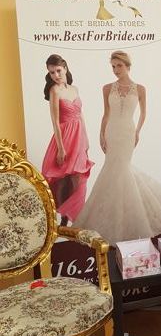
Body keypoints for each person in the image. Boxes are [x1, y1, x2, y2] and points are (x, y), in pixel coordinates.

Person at [75, 50, 161, 243]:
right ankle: (113, 217)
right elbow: (106, 114)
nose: (115, 70)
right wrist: (101, 134)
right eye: (113, 66)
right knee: (113, 169)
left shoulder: (140, 89)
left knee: (122, 169)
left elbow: (143, 113)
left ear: (128, 66)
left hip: (127, 132)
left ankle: (129, 218)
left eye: (119, 66)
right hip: (112, 132)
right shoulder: (107, 88)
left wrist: (137, 131)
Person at [42, 54, 93, 224]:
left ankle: (76, 217)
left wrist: (86, 138)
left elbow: (80, 115)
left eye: (58, 70)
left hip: (78, 137)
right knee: (63, 180)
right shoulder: (54, 90)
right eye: (52, 72)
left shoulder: (74, 89)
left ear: (65, 68)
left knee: (78, 179)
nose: (56, 75)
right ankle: (63, 219)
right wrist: (61, 148)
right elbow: (55, 121)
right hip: (64, 138)